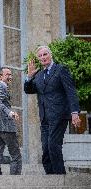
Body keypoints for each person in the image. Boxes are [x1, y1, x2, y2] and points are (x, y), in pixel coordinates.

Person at [24, 46, 81, 174]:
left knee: (53, 145)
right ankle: (50, 177)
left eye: (45, 54)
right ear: (38, 59)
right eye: (40, 56)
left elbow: (71, 92)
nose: (43, 57)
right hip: (44, 117)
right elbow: (29, 90)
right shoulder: (38, 75)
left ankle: (60, 177)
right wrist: (29, 77)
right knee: (45, 148)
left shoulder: (61, 70)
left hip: (59, 115)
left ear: (51, 55)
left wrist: (74, 113)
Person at [0, 67, 22, 175]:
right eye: (8, 75)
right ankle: (15, 182)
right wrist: (10, 112)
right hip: (5, 126)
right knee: (16, 155)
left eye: (11, 74)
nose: (10, 77)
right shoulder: (2, 86)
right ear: (0, 76)